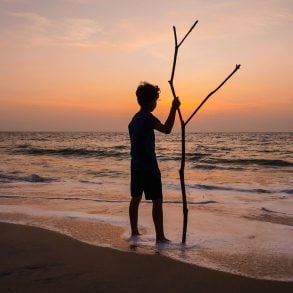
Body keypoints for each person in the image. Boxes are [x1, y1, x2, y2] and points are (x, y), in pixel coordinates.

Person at [128, 81, 180, 243]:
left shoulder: (134, 120)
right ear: (151, 102)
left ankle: (135, 232)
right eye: (156, 100)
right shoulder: (147, 117)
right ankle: (160, 237)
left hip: (136, 166)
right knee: (157, 200)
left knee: (135, 198)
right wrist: (173, 108)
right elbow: (166, 129)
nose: (156, 103)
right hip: (149, 166)